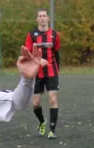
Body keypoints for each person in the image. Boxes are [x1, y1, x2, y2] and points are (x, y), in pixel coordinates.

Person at [25, 8, 61, 139]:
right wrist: (38, 61)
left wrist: (58, 70)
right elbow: (28, 54)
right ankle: (42, 122)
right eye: (40, 16)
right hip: (37, 73)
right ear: (37, 19)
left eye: (44, 16)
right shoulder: (31, 35)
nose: (42, 18)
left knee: (53, 98)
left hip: (52, 72)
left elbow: (56, 52)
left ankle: (52, 130)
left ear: (48, 18)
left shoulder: (55, 35)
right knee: (35, 104)